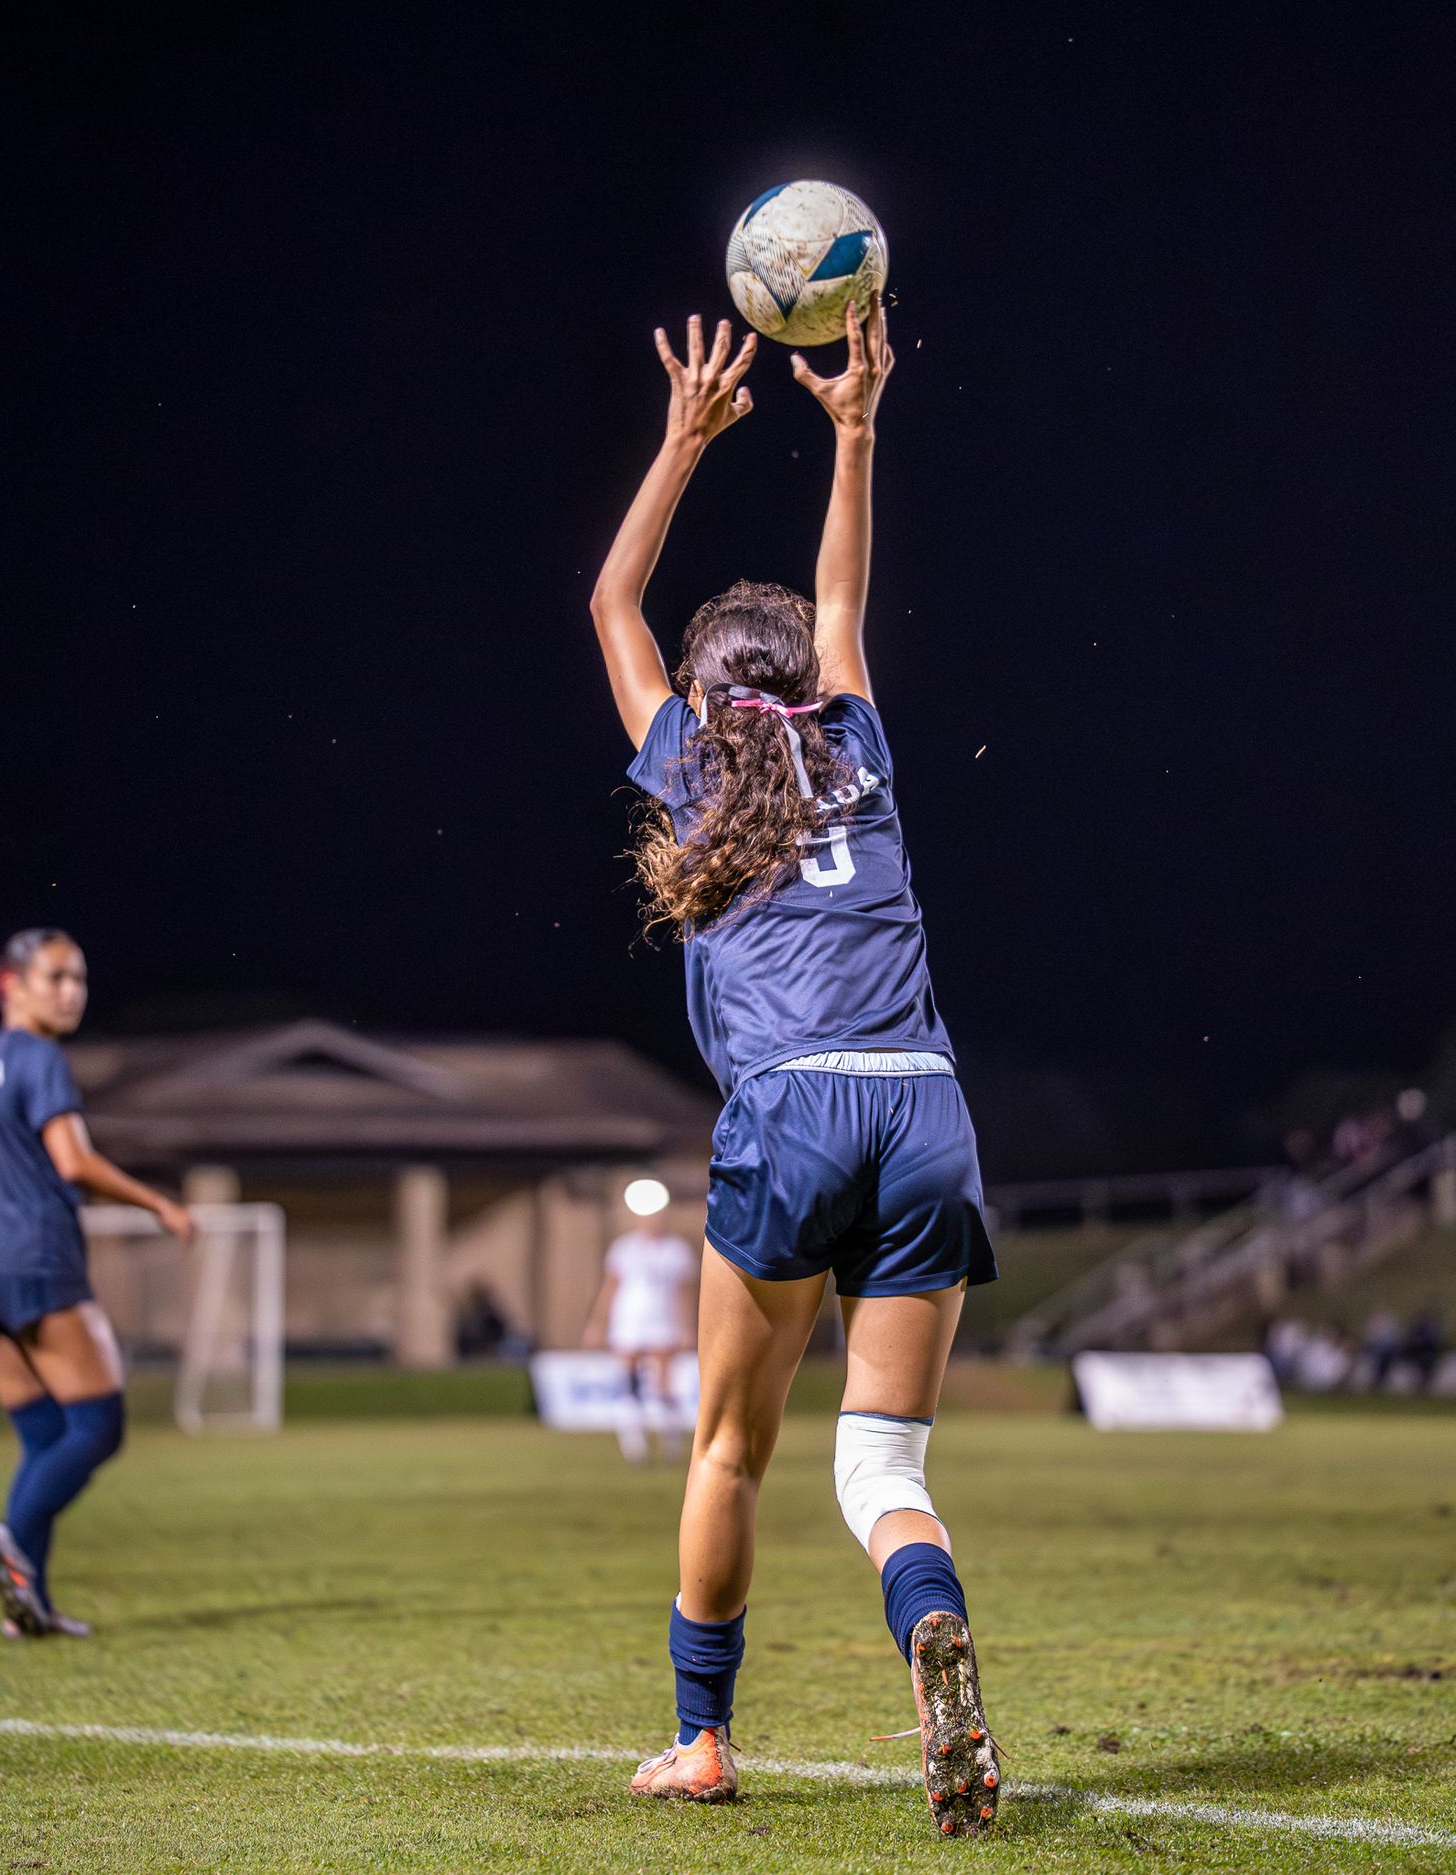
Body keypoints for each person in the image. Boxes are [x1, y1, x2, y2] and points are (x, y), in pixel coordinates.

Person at [589, 300, 1000, 1835]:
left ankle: (702, 1738)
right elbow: (845, 597)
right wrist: (858, 423)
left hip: (793, 1109)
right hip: (926, 1102)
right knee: (880, 1457)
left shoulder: (693, 763)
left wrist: (686, 439)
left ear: (703, 694)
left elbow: (611, 597)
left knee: (729, 1444)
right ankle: (931, 1631)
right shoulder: (863, 748)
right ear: (808, 685)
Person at [0, 930, 194, 1638]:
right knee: (98, 1424)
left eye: (79, 978)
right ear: (13, 985)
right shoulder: (37, 1056)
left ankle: (33, 1610)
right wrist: (159, 1203)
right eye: (56, 977)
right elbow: (74, 1161)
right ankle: (13, 1539)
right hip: (34, 1261)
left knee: (43, 1434)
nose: (72, 992)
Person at [583, 1209, 698, 1462]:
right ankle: (635, 1445)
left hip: (663, 1321)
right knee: (630, 1381)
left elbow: (684, 1293)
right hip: (630, 1321)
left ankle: (672, 1444)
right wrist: (597, 1323)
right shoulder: (624, 1248)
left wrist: (687, 1327)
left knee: (664, 1382)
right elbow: (610, 1288)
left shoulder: (677, 1250)